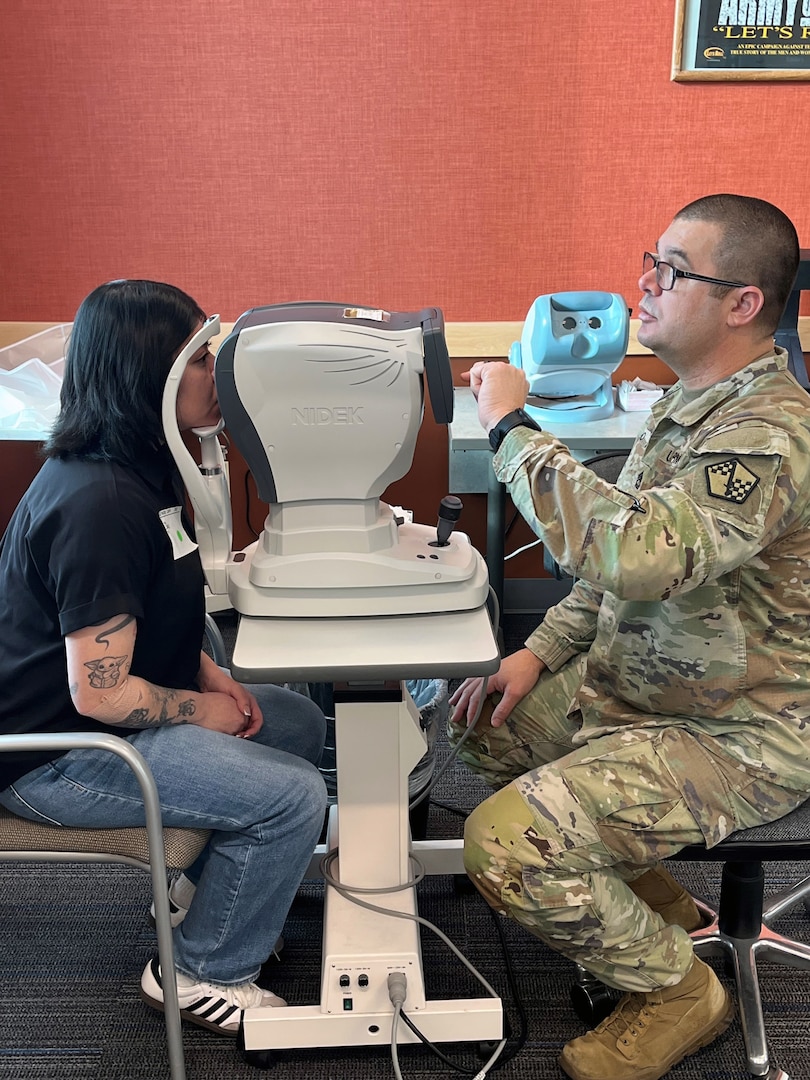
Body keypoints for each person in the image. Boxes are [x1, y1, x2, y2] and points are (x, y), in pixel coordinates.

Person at [449, 194, 809, 1080]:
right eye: (652, 260)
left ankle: (678, 990)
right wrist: (535, 652)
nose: (645, 283)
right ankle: (653, 901)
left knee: (501, 840)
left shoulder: (766, 435)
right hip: (647, 685)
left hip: (738, 733)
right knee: (481, 722)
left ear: (742, 304)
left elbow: (636, 553)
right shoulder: (690, 404)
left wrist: (512, 429)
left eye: (674, 270)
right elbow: (608, 586)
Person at [0, 280, 328, 1037]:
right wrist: (201, 708)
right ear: (148, 372)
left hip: (114, 717)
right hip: (55, 754)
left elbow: (158, 605)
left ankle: (209, 899)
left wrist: (206, 673)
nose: (220, 376)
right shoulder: (99, 505)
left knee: (295, 722)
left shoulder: (144, 466)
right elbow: (101, 695)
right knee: (294, 794)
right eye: (203, 360)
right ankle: (198, 970)